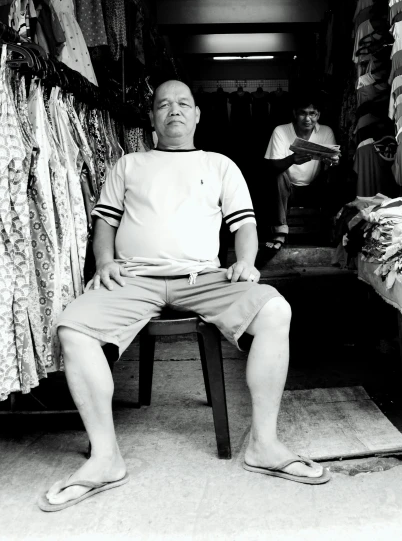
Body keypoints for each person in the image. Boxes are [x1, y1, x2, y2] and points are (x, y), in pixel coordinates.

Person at [38, 80, 330, 512]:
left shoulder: (219, 165)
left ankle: (264, 445)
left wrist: (246, 261)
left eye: (183, 103)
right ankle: (105, 458)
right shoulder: (128, 164)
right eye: (163, 104)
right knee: (72, 328)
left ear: (196, 115)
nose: (173, 110)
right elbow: (105, 223)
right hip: (136, 278)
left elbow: (243, 224)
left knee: (274, 310)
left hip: (204, 278)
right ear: (153, 118)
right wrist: (104, 262)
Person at [263, 90, 339, 253]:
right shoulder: (281, 131)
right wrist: (292, 159)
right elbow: (271, 166)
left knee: (334, 175)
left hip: (314, 188)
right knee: (278, 175)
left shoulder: (326, 132)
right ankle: (280, 232)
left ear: (318, 115)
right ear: (294, 114)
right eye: (303, 113)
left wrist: (331, 162)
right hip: (288, 190)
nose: (307, 119)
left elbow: (332, 164)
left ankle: (331, 228)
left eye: (312, 114)